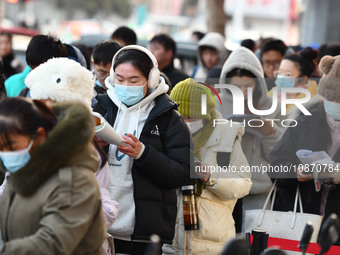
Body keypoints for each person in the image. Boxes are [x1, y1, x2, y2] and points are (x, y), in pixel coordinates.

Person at [92, 45, 191, 255]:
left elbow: (182, 173)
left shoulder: (168, 118)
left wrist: (143, 154)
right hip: (97, 226)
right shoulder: (98, 108)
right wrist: (93, 146)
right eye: (119, 79)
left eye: (133, 80)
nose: (125, 85)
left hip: (143, 232)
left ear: (151, 79)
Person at [24, 57, 119, 255]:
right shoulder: (28, 147)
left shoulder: (90, 154)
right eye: (41, 105)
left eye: (58, 106)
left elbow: (105, 210)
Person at [0, 97, 106, 254]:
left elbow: (54, 243)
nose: (5, 154)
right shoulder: (21, 171)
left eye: (11, 146)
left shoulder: (75, 180)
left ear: (40, 136)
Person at [166, 78, 252, 254]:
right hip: (170, 241)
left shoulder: (228, 135)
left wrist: (211, 176)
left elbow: (243, 183)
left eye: (193, 117)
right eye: (182, 117)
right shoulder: (165, 133)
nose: (188, 122)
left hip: (212, 242)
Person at [270, 55, 340, 242]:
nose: (336, 107)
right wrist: (296, 172)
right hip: (298, 221)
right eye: (333, 100)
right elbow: (276, 165)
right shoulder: (305, 121)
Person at [217, 47, 284, 220]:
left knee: (255, 242)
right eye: (236, 87)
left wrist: (270, 132)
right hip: (221, 187)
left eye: (249, 86)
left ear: (259, 84)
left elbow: (279, 156)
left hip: (258, 188)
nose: (243, 92)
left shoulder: (274, 107)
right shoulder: (216, 104)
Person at [268, 47, 319, 116]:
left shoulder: (312, 106)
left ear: (303, 79)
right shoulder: (276, 93)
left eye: (288, 75)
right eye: (280, 73)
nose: (281, 78)